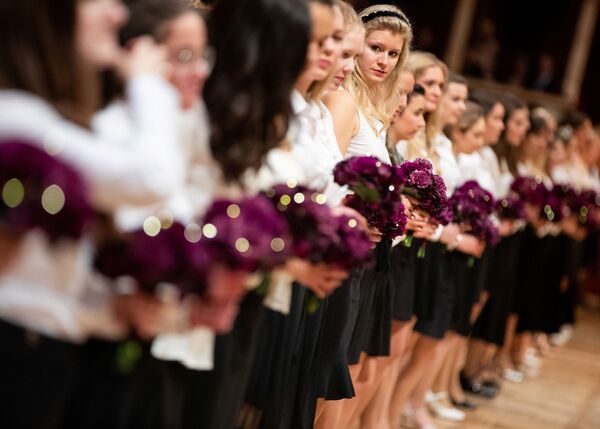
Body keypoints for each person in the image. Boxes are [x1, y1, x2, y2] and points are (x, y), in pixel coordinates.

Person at [0, 0, 181, 427]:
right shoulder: (17, 117)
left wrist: (111, 308)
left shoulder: (42, 115)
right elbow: (151, 178)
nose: (117, 15)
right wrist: (146, 83)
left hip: (39, 357)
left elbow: (42, 287)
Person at [317, 5, 412, 429]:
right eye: (375, 48)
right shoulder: (342, 101)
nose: (383, 61)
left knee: (342, 375)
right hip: (339, 252)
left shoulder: (373, 111)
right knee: (325, 376)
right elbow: (330, 176)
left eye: (393, 54)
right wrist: (363, 212)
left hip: (366, 255)